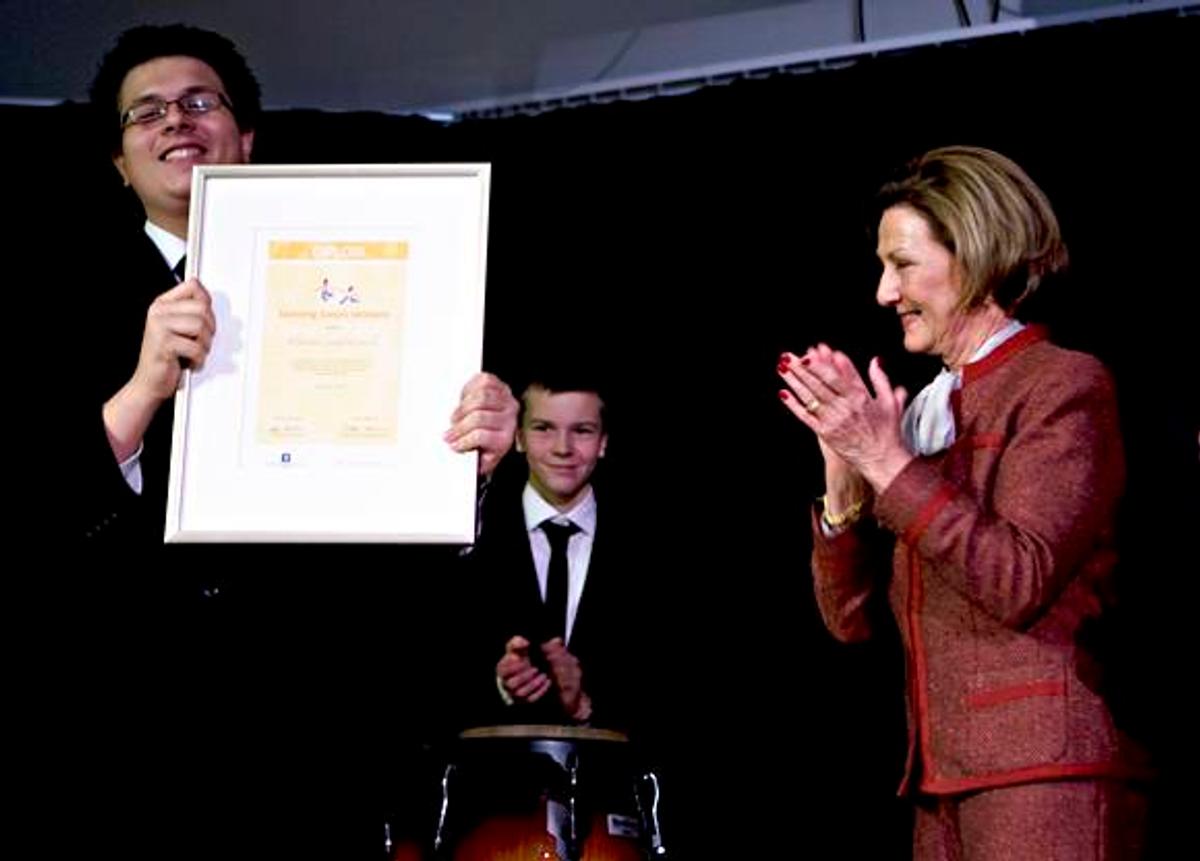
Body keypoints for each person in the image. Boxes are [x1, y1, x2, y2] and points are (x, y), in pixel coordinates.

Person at [777, 146, 1152, 859]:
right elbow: (852, 624)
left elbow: (1018, 578)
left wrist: (885, 461)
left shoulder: (1061, 385)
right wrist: (844, 481)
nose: (884, 292)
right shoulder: (923, 411)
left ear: (974, 257)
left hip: (1043, 776)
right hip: (940, 779)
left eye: (902, 264)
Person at [74, 23, 516, 545]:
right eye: (147, 112)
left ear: (246, 139)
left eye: (198, 103)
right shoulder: (67, 301)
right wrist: (143, 390)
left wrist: (463, 472)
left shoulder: (360, 285)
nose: (175, 120)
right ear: (121, 163)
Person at [462, 375, 653, 734]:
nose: (562, 448)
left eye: (582, 430)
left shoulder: (647, 548)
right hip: (487, 763)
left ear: (603, 442)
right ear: (519, 438)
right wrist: (501, 684)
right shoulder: (471, 531)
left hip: (611, 766)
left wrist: (584, 707)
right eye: (543, 428)